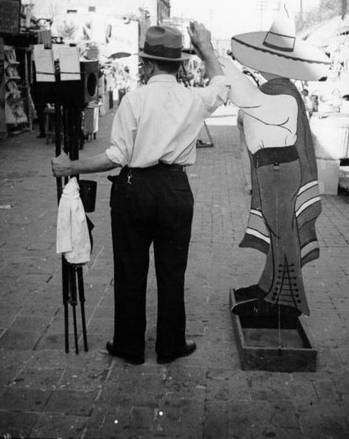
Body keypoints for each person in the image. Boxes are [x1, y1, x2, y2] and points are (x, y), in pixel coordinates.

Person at [51, 22, 229, 364]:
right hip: (175, 190)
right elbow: (222, 85)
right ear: (179, 65)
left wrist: (70, 167)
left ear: (147, 65)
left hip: (134, 189)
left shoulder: (134, 99)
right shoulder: (194, 98)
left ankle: (130, 346)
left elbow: (116, 156)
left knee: (130, 270)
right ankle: (170, 345)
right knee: (172, 271)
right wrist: (206, 47)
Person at [219, 6, 329, 317]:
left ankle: (285, 302)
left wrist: (216, 60)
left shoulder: (280, 94)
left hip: (279, 169)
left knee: (282, 232)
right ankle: (269, 287)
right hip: (274, 168)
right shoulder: (275, 90)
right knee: (277, 229)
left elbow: (247, 100)